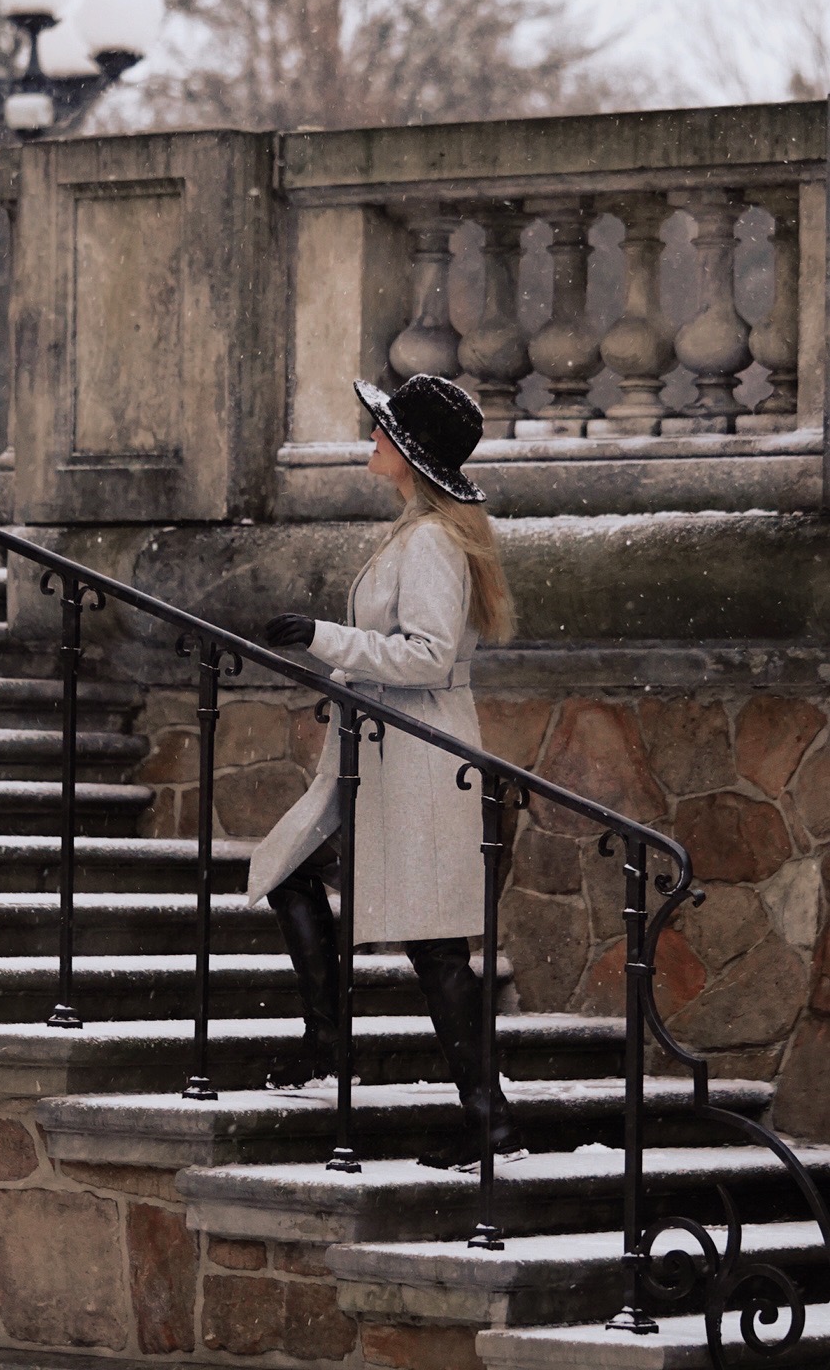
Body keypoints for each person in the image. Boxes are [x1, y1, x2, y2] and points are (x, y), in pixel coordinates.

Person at [246, 372, 526, 1171]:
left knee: (435, 948)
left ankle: (487, 1118)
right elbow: (407, 654)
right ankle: (331, 1046)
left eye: (381, 432)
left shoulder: (436, 539)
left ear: (407, 451)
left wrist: (326, 641)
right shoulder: (420, 529)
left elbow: (431, 657)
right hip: (388, 754)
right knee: (295, 870)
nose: (371, 441)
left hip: (421, 759)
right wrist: (341, 679)